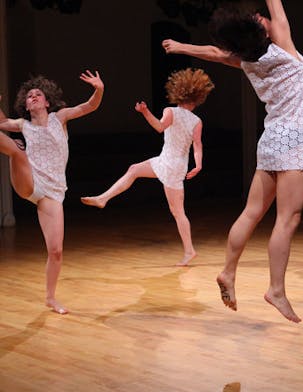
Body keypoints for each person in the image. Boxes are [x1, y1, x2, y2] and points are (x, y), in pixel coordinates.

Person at [162, 0, 303, 322]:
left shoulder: (249, 62)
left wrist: (181, 47)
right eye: (258, 19)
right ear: (259, 31)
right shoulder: (285, 53)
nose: (264, 18)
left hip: (271, 142)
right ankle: (275, 289)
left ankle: (228, 271)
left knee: (251, 213)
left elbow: (216, 53)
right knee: (287, 219)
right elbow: (276, 7)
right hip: (296, 143)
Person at [81, 68, 213, 267]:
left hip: (168, 163)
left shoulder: (171, 111)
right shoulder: (197, 120)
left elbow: (160, 127)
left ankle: (189, 251)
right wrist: (199, 165)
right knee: (135, 170)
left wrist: (144, 112)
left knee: (177, 211)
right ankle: (103, 198)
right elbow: (198, 145)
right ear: (196, 99)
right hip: (174, 163)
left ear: (179, 93)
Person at [0, 71, 104, 314]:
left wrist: (98, 89)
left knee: (56, 251)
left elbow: (90, 106)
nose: (34, 97)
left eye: (38, 94)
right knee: (17, 151)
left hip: (53, 193)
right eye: (30, 96)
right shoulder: (22, 124)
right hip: (29, 182)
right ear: (26, 105)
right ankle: (16, 151)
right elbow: (3, 123)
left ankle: (50, 298)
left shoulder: (60, 118)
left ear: (47, 102)